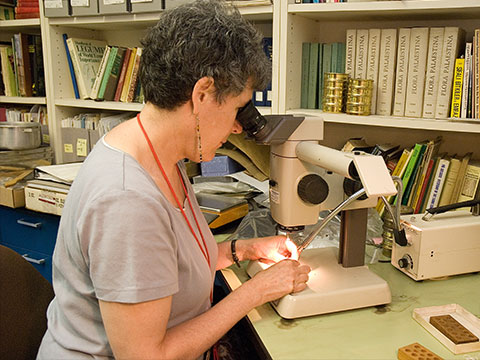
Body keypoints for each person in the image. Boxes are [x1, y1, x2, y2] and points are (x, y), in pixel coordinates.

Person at [37, 1, 310, 359]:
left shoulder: (156, 152)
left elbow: (164, 265)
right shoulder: (126, 200)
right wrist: (255, 291)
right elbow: (146, 356)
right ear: (202, 95)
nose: (237, 126)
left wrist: (242, 250)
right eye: (235, 108)